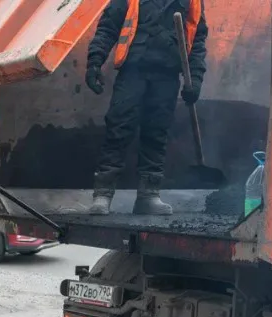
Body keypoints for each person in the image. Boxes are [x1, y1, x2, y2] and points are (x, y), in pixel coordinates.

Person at [85, 0, 208, 215]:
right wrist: (95, 61)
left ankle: (148, 196)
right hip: (133, 71)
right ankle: (103, 195)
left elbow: (197, 40)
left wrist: (195, 79)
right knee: (118, 129)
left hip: (167, 75)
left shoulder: (193, 2)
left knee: (156, 134)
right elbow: (109, 25)